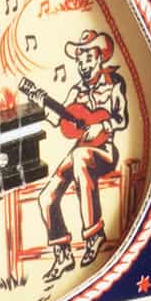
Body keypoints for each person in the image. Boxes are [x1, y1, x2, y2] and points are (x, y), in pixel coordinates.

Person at [33, 29, 127, 277]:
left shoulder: (114, 85)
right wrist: (43, 105)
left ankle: (94, 234)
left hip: (104, 150)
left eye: (88, 59)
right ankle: (62, 253)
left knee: (80, 158)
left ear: (99, 58)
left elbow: (122, 119)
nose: (83, 65)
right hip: (80, 152)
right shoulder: (76, 91)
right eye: (79, 60)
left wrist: (102, 125)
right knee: (46, 196)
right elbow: (60, 120)